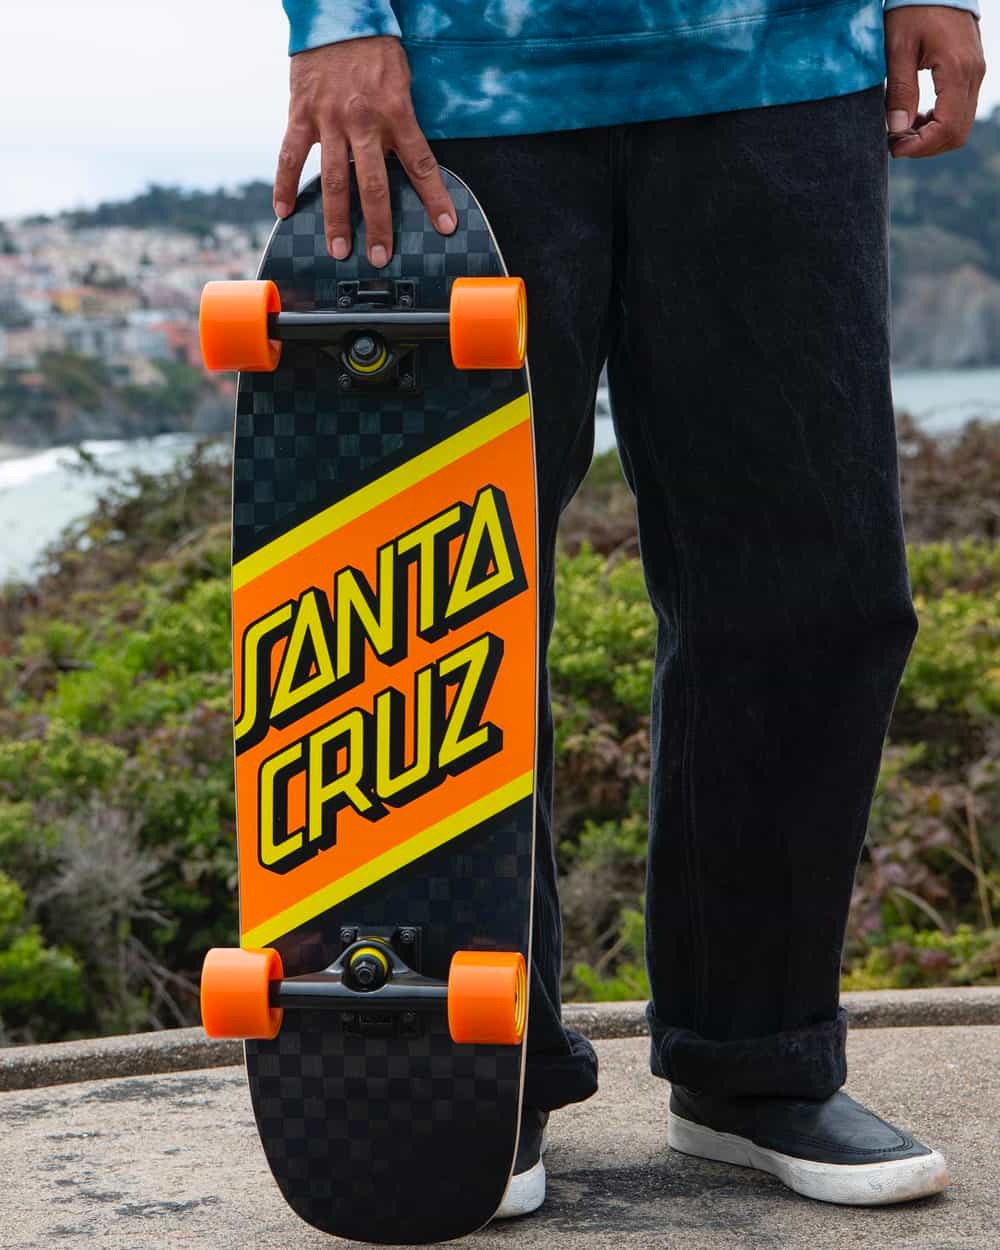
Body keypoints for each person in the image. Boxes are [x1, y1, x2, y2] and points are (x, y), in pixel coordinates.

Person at [273, 0, 986, 1219]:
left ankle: (754, 1064)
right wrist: (335, 19)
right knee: (435, 603)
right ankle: (474, 1063)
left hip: (781, 71)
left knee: (814, 586)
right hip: (463, 86)